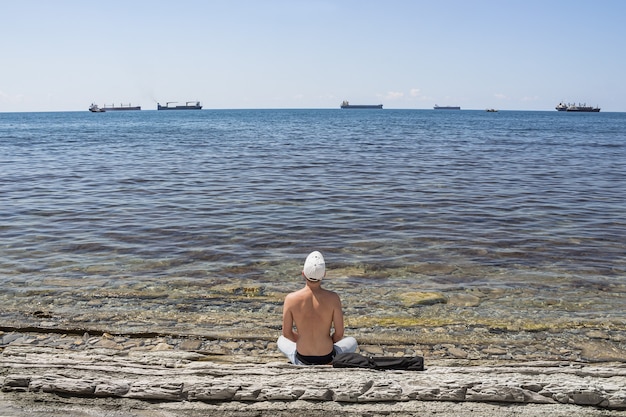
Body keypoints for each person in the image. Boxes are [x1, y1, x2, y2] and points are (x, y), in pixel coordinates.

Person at [277, 251, 358, 365]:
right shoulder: (333, 298)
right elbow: (339, 334)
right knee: (352, 341)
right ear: (324, 274)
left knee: (280, 340)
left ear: (303, 273)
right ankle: (329, 362)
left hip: (302, 359)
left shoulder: (291, 299)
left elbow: (287, 333)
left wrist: (302, 340)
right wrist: (327, 343)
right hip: (327, 357)